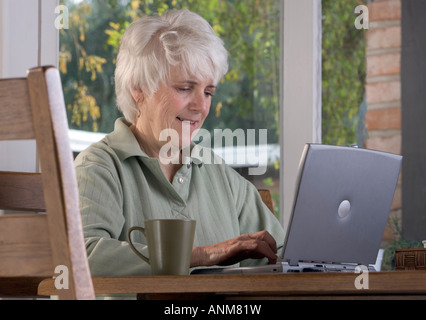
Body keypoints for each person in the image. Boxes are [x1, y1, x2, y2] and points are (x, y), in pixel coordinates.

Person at [75, 9, 285, 277]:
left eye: (208, 92)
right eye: (185, 88)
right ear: (138, 88)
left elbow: (283, 257)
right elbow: (84, 258)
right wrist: (204, 254)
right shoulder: (98, 168)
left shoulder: (219, 174)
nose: (201, 107)